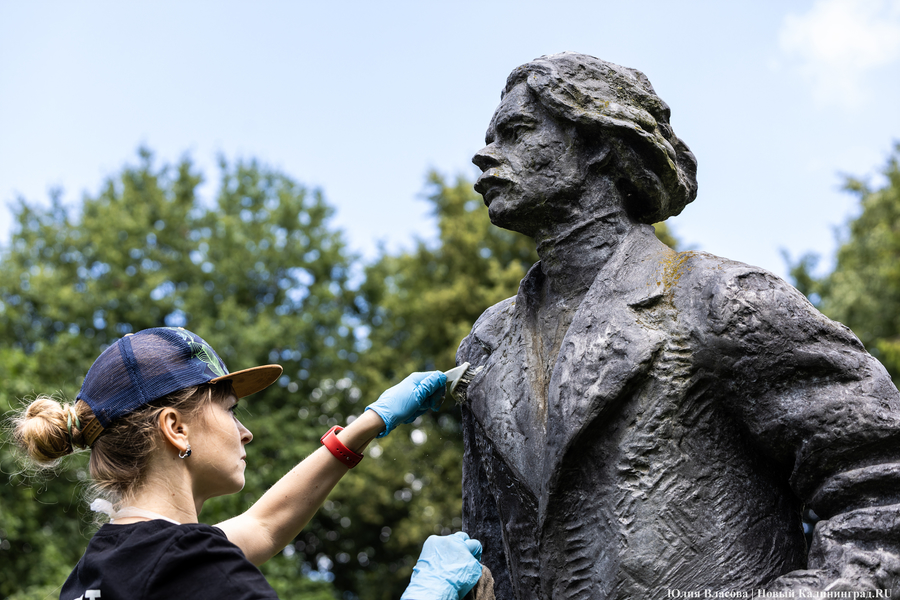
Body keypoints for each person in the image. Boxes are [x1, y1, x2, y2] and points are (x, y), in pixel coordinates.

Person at [458, 52, 900, 599]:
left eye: (516, 132)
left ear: (596, 143)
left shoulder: (718, 299)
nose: (483, 155)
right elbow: (487, 546)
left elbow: (880, 479)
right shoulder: (486, 343)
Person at [13, 326, 483, 599]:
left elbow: (263, 526)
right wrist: (429, 591)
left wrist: (370, 422)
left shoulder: (106, 564)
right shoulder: (192, 567)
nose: (246, 432)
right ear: (175, 428)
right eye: (230, 411)